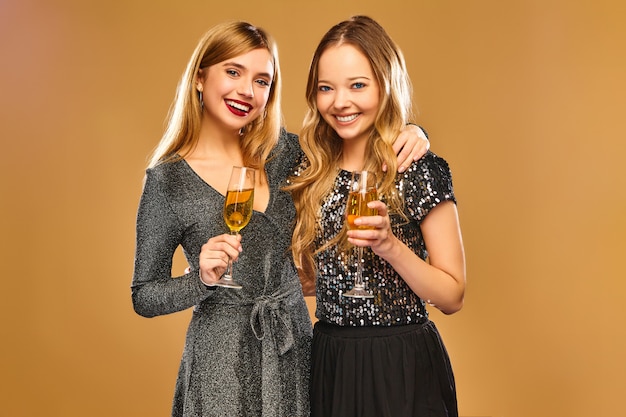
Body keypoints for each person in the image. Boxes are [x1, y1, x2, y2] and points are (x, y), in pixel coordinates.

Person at [130, 20, 430, 417]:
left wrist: (412, 130)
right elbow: (144, 295)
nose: (246, 91)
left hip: (293, 349)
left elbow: (357, 134)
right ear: (200, 78)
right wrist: (198, 280)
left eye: (262, 80)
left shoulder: (290, 154)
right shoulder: (167, 181)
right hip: (220, 359)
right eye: (233, 72)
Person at [287, 16, 466, 417]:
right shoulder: (309, 168)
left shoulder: (418, 169)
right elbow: (316, 278)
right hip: (330, 360)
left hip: (401, 362)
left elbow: (452, 295)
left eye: (357, 85)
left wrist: (389, 246)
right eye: (325, 88)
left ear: (386, 84)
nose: (340, 102)